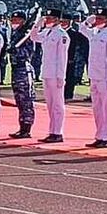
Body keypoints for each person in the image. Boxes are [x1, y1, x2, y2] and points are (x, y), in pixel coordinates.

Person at [79, 8, 107, 148]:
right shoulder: (94, 33)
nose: (97, 21)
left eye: (100, 19)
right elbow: (81, 28)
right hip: (94, 75)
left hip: (104, 77)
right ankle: (99, 135)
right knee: (97, 108)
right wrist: (89, 19)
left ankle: (106, 137)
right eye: (97, 18)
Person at [30, 9, 69, 143]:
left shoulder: (62, 35)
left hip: (56, 74)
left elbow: (62, 58)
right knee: (50, 105)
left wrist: (60, 77)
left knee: (57, 105)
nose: (47, 20)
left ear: (58, 19)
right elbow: (33, 36)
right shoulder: (47, 32)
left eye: (50, 18)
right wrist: (38, 23)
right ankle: (52, 131)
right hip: (46, 72)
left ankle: (58, 132)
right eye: (46, 18)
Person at [6, 10, 35, 138]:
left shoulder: (27, 35)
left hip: (24, 69)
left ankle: (26, 129)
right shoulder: (16, 34)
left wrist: (16, 51)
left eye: (16, 20)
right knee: (19, 100)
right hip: (15, 70)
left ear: (23, 21)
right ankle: (21, 126)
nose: (13, 23)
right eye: (12, 20)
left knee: (26, 101)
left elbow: (29, 53)